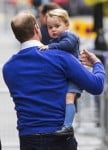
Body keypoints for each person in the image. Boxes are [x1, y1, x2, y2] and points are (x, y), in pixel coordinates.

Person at [2, 11, 105, 150]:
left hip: (28, 138)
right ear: (36, 28)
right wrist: (98, 64)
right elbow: (97, 85)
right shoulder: (60, 57)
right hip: (59, 137)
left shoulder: (8, 68)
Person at [40, 8, 82, 133]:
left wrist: (49, 47)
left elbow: (67, 45)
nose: (53, 29)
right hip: (66, 76)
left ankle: (68, 126)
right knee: (64, 99)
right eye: (49, 27)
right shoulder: (55, 41)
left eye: (57, 26)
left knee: (70, 97)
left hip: (75, 76)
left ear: (67, 25)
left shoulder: (70, 36)